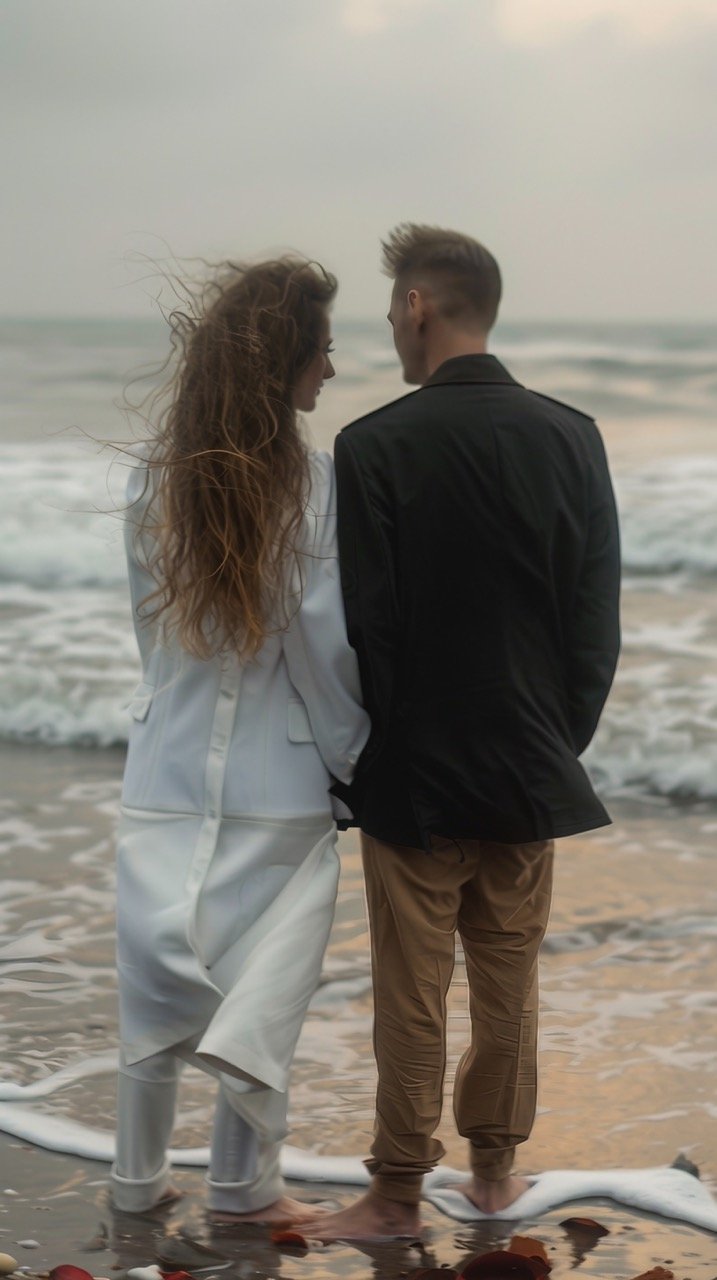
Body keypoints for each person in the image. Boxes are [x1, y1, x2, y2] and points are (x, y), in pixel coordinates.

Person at [306, 224, 621, 1241]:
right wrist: (551, 737)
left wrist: (381, 750)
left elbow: (371, 627)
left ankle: (397, 1191)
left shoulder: (375, 443)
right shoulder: (573, 434)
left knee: (412, 989)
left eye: (393, 308)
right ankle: (494, 1173)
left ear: (417, 307)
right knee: (507, 975)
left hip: (418, 770)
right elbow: (593, 623)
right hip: (531, 762)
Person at [111, 258, 369, 1222]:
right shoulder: (310, 482)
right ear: (285, 360)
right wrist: (353, 761)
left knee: (152, 980)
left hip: (163, 761)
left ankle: (135, 1184)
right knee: (260, 996)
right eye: (325, 349)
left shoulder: (155, 475)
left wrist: (169, 706)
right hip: (282, 774)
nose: (331, 370)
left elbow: (150, 630)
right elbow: (318, 641)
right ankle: (241, 1189)